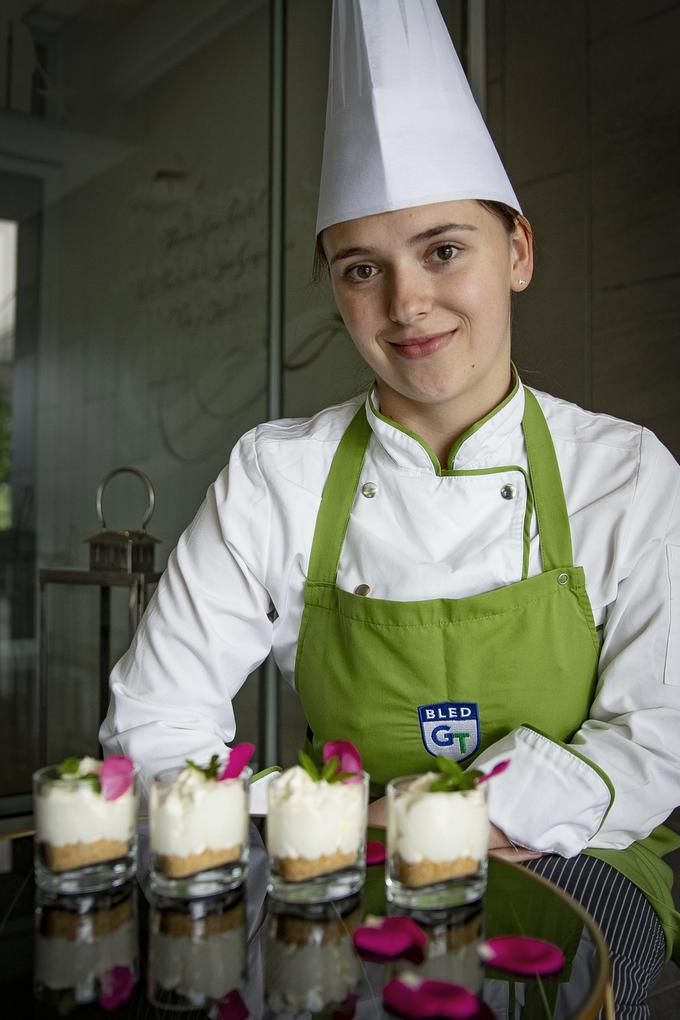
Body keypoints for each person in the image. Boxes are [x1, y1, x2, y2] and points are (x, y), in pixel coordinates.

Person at [100, 0, 680, 1013]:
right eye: (361, 270)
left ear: (517, 253)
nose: (405, 303)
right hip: (339, 853)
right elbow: (154, 719)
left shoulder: (624, 474)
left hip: (570, 852)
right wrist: (300, 823)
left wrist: (457, 813)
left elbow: (658, 732)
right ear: (334, 291)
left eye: (443, 250)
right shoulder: (275, 475)